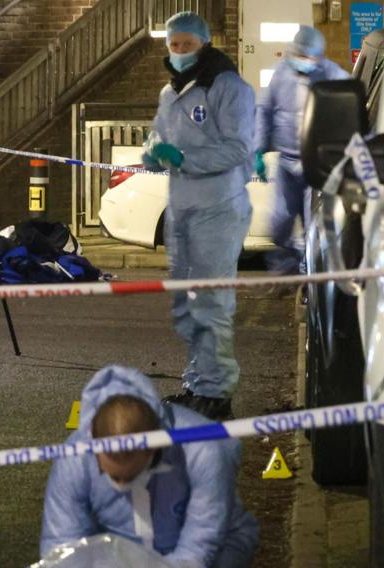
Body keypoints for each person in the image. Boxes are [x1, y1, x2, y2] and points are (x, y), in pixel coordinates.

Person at [41, 365, 259, 568]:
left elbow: (205, 533)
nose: (122, 484)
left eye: (132, 475)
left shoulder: (202, 449)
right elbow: (62, 541)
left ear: (154, 449)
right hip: (119, 547)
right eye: (113, 476)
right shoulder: (75, 457)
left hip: (214, 544)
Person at [144, 11, 255, 421]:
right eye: (173, 45)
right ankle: (197, 385)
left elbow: (238, 148)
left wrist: (184, 158)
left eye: (187, 45)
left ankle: (217, 393)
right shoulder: (170, 92)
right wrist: (154, 152)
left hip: (218, 207)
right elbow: (159, 136)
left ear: (204, 44)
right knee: (190, 305)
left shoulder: (227, 87)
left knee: (211, 303)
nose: (179, 52)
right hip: (182, 208)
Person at [255, 26, 350, 276]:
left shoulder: (333, 75)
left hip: (315, 163)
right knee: (279, 224)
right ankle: (287, 270)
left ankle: (309, 275)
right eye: (298, 55)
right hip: (286, 161)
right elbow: (265, 110)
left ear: (318, 56)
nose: (302, 61)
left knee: (313, 225)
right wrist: (258, 149)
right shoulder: (280, 74)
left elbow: (351, 105)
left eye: (307, 57)